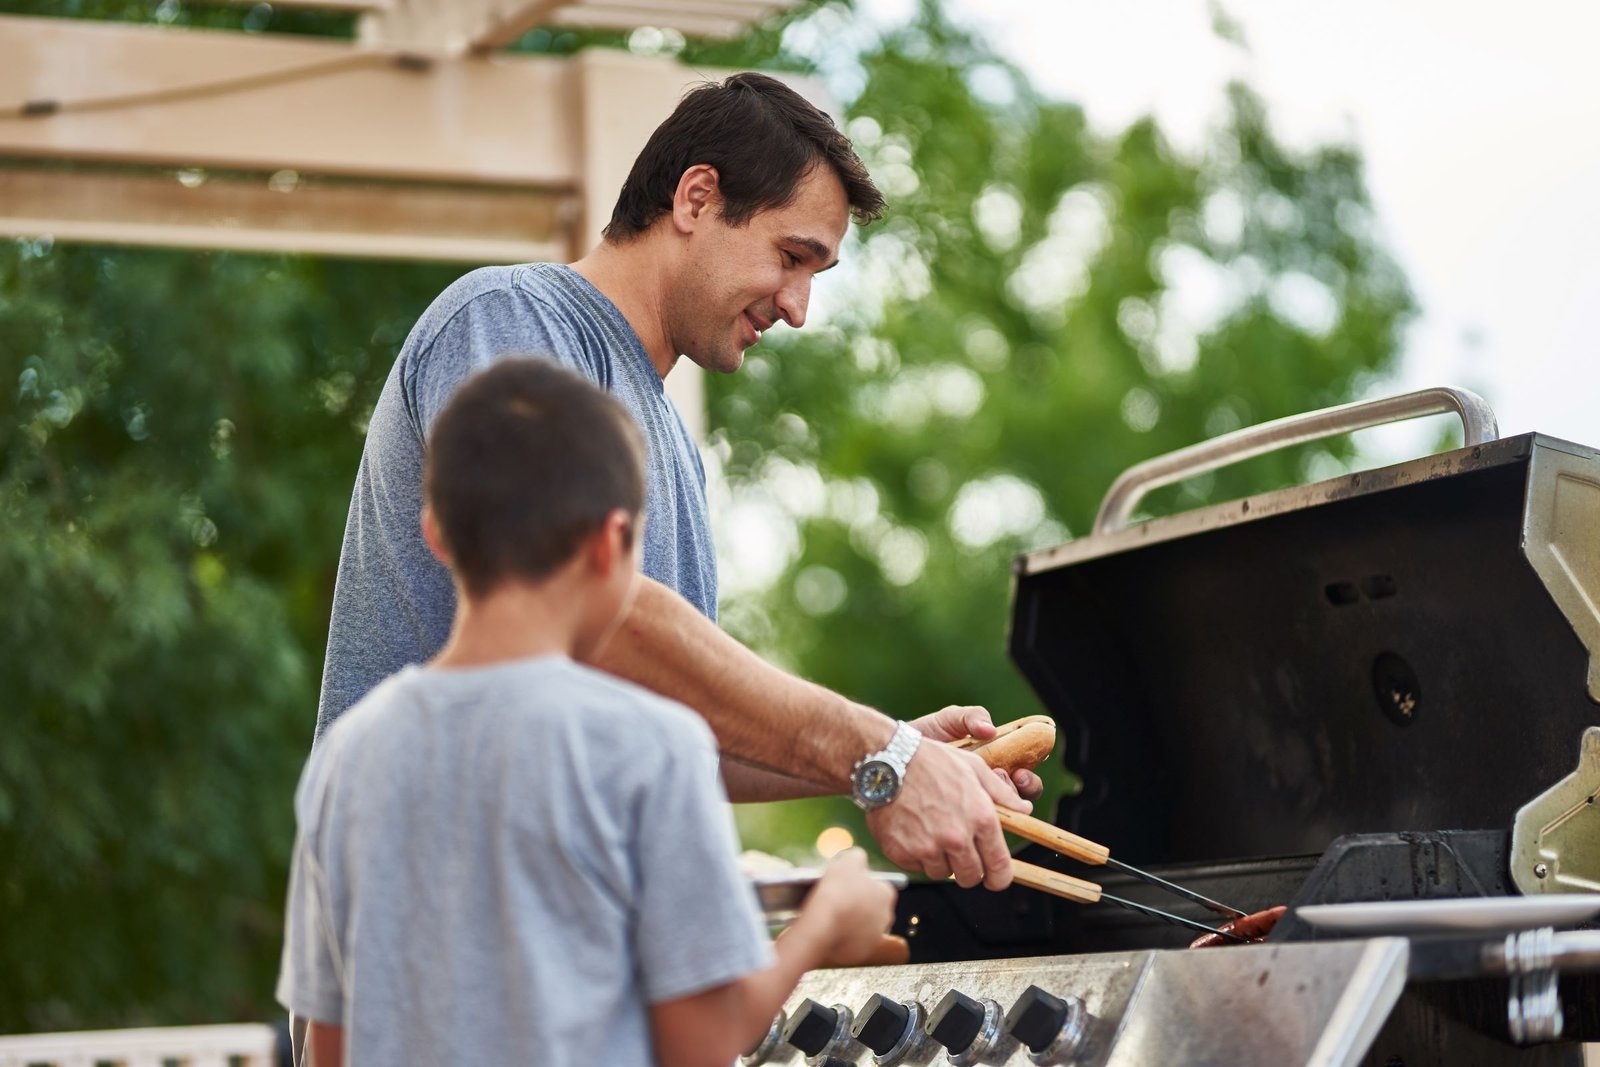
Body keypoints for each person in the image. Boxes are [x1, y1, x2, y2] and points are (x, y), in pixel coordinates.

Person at [317, 71, 1039, 891]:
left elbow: (678, 732)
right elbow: (581, 601)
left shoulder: (670, 445)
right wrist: (879, 750)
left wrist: (895, 756)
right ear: (696, 198)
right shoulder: (507, 320)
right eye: (791, 256)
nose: (799, 307)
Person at [278, 359, 899, 1067]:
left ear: (437, 534)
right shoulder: (654, 744)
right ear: (612, 545)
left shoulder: (348, 754)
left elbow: (326, 1046)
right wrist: (824, 925)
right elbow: (700, 1042)